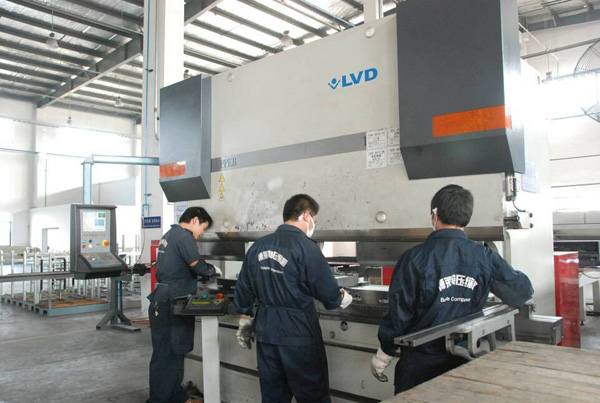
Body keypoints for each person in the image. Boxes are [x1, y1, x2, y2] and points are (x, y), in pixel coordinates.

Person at [371, 184, 534, 394]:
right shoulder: (484, 256)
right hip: (465, 360)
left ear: (435, 214)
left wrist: (384, 352)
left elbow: (399, 314)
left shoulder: (414, 258)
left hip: (420, 365)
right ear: (467, 217)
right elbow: (522, 292)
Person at [234, 194, 353, 403]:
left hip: (267, 332)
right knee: (312, 396)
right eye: (314, 220)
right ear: (306, 216)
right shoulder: (307, 248)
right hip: (298, 333)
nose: (313, 225)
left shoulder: (258, 246)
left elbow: (243, 288)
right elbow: (329, 294)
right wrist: (341, 297)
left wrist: (245, 319)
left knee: (273, 397)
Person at [147, 207, 221, 403]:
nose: (201, 233)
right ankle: (159, 400)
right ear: (195, 220)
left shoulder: (170, 234)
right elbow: (197, 265)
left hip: (165, 298)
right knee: (166, 355)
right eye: (203, 228)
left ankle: (176, 397)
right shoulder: (183, 236)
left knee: (174, 352)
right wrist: (213, 270)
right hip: (172, 300)